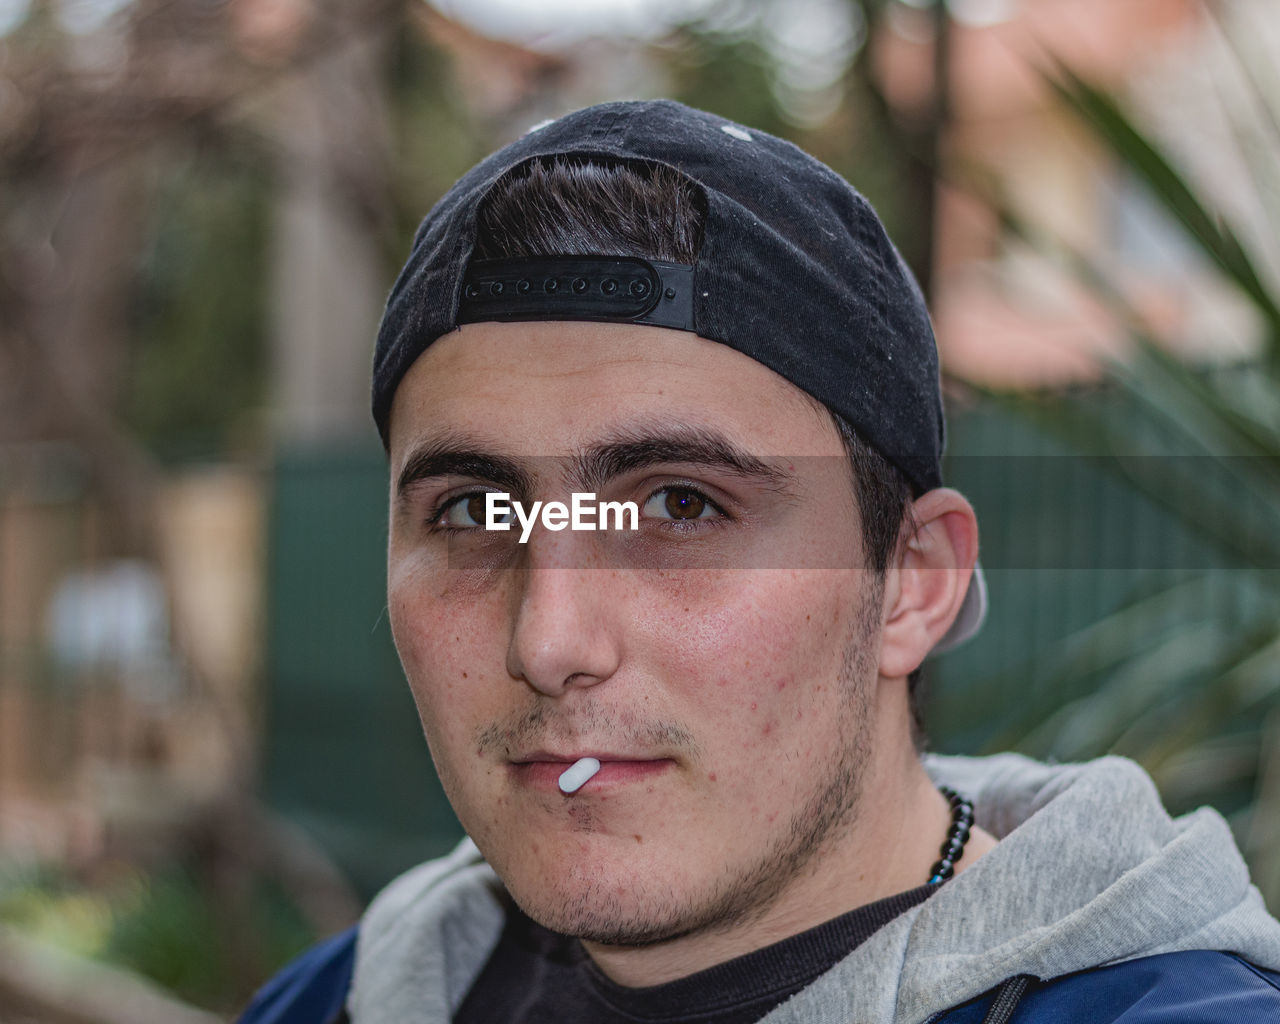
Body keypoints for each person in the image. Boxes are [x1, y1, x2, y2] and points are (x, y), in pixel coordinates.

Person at [239, 100, 1280, 1024]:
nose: (548, 639)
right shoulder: (337, 997)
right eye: (471, 508)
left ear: (912, 582)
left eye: (679, 504)